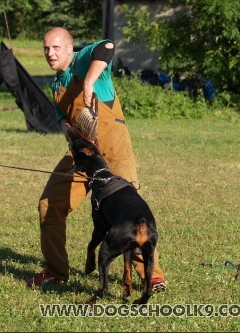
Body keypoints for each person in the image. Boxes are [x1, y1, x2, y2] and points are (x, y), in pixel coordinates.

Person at [27, 27, 167, 293]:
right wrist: (69, 131)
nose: (50, 53)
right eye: (46, 48)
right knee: (49, 204)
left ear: (70, 49)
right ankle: (56, 271)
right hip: (82, 152)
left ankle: (152, 275)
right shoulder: (56, 84)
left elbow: (108, 46)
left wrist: (90, 82)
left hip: (113, 146)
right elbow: (62, 119)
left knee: (130, 207)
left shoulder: (83, 60)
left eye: (56, 47)